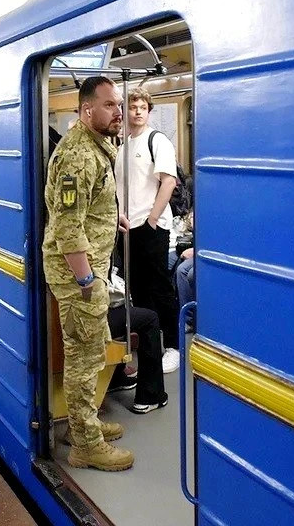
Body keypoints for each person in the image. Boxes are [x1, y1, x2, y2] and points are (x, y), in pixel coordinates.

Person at [42, 75, 134, 472]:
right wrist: (86, 281)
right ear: (86, 109)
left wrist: (112, 218)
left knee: (92, 352)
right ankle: (85, 445)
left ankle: (84, 425)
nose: (119, 112)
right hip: (78, 277)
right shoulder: (79, 155)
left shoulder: (95, 146)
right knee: (83, 360)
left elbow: (87, 205)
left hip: (88, 269)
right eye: (110, 105)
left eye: (118, 105)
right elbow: (67, 225)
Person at [115, 88, 181, 374]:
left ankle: (174, 346)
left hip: (150, 227)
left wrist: (152, 219)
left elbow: (169, 181)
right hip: (127, 227)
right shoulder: (123, 146)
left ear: (149, 111)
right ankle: (151, 348)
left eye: (143, 107)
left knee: (160, 289)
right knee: (138, 291)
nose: (138, 112)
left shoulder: (157, 141)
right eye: (133, 107)